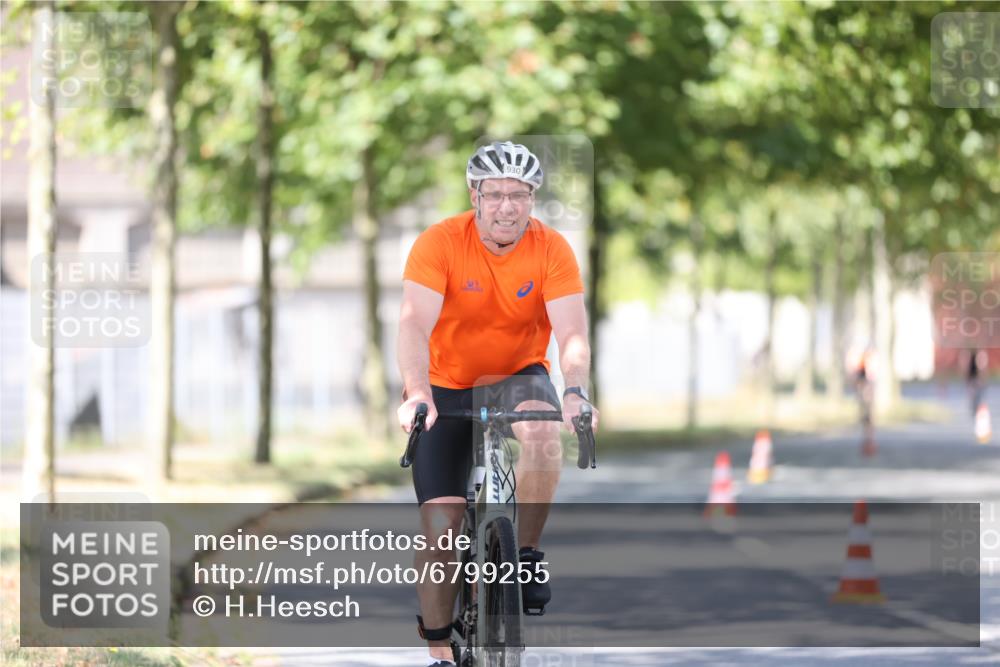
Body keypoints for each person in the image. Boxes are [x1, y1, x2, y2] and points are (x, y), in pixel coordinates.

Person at [396, 141, 599, 666]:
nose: (508, 206)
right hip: (443, 383)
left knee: (542, 432)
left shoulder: (551, 248)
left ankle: (525, 555)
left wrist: (575, 391)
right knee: (442, 529)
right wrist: (417, 391)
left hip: (517, 375)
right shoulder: (440, 242)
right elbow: (413, 323)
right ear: (475, 196)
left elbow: (572, 331)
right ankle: (440, 649)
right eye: (496, 194)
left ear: (533, 199)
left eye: (520, 195)